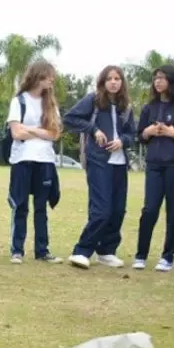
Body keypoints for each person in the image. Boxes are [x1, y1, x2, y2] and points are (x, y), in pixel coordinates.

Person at [63, 65, 134, 270]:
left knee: (118, 210)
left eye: (117, 79)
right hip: (98, 161)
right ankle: (82, 250)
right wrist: (93, 129)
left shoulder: (126, 106)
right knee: (101, 209)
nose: (113, 82)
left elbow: (132, 133)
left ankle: (107, 251)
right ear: (103, 82)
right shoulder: (93, 101)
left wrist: (123, 141)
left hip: (119, 163)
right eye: (109, 78)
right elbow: (70, 118)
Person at [6, 59, 64, 264]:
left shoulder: (51, 104)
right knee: (20, 205)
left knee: (41, 207)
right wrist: (42, 132)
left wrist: (30, 129)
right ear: (38, 77)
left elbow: (55, 133)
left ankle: (42, 250)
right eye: (48, 77)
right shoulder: (19, 101)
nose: (51, 81)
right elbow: (16, 132)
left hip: (45, 160)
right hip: (22, 159)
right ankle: (17, 250)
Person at [133, 64, 174, 272]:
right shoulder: (149, 108)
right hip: (154, 164)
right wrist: (148, 131)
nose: (158, 81)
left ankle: (168, 256)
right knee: (149, 209)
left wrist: (173, 134)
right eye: (155, 78)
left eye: (162, 78)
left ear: (172, 81)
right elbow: (139, 137)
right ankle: (141, 254)